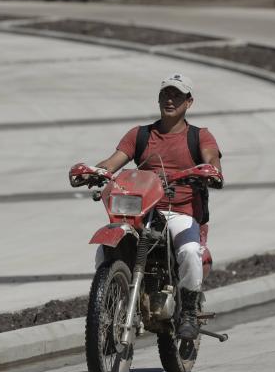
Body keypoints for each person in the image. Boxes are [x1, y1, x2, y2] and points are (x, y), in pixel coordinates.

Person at [80, 72, 223, 340]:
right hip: (143, 210)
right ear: (158, 99)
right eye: (165, 94)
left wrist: (211, 170)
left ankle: (189, 312)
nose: (170, 100)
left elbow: (212, 160)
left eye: (177, 95)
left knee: (190, 252)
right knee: (105, 251)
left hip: (179, 211)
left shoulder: (200, 136)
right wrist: (94, 171)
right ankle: (110, 304)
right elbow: (112, 163)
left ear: (188, 102)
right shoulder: (141, 135)